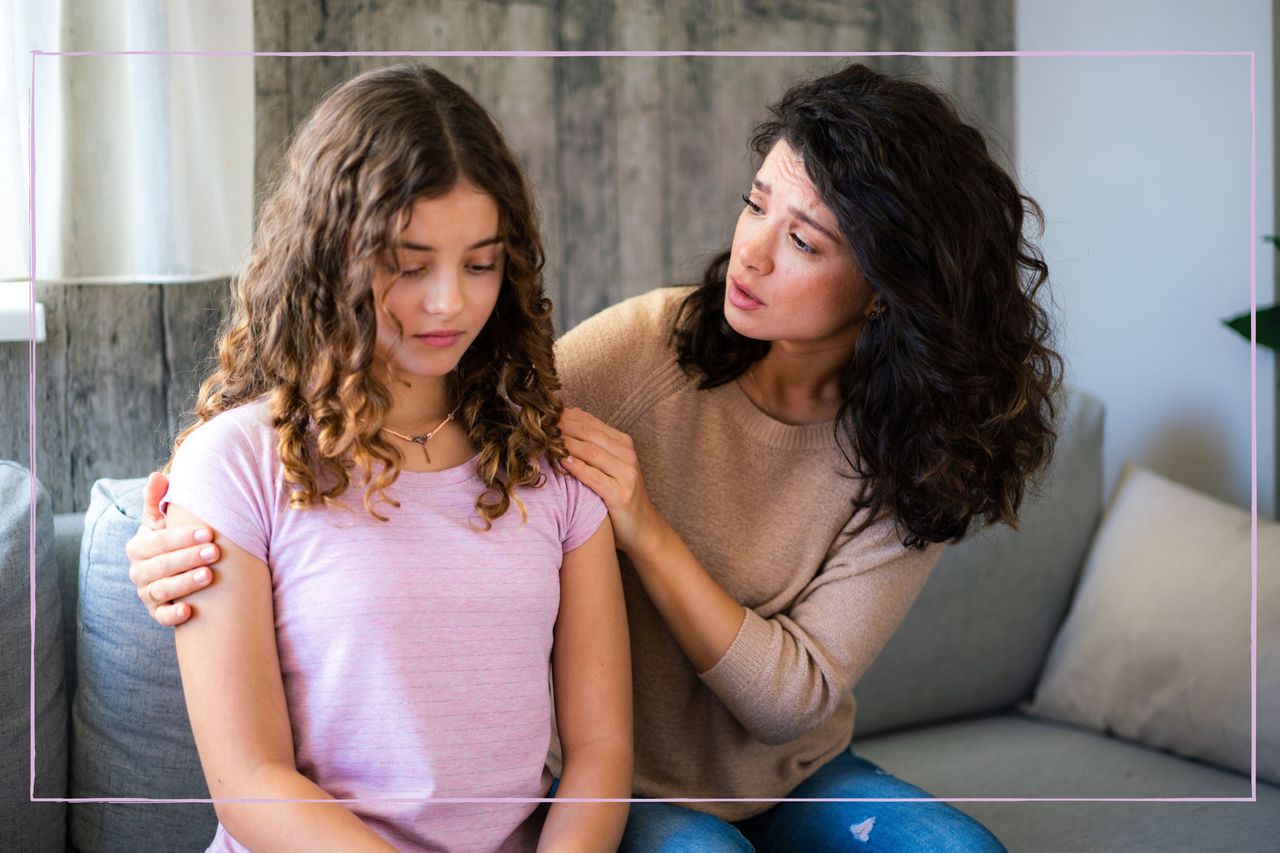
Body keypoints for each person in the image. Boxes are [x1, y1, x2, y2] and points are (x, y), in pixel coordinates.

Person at [130, 63, 1060, 851]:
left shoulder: (920, 448)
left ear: (886, 294)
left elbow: (792, 700)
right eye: (755, 205)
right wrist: (178, 505)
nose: (751, 252)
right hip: (624, 787)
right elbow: (415, 411)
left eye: (804, 240)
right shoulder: (650, 349)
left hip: (782, 772)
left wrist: (646, 528)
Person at [153, 64, 632, 852]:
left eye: (480, 263)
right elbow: (249, 780)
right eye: (408, 265)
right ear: (329, 258)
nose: (449, 301)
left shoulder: (553, 468)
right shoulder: (234, 464)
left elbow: (600, 751)